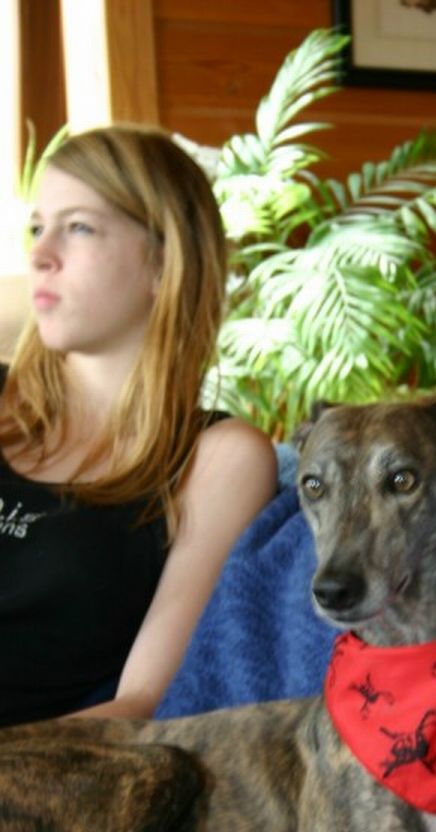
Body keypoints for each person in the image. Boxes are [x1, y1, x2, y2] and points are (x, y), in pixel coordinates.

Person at [0, 124, 277, 726]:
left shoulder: (218, 459)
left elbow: (139, 708)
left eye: (78, 227)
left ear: (163, 261)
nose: (40, 255)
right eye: (37, 228)